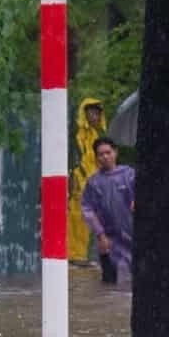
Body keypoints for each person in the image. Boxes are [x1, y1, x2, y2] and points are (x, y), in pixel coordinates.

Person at [79, 137, 134, 283]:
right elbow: (87, 210)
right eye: (100, 154)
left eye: (108, 152)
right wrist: (100, 234)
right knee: (110, 282)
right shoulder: (93, 182)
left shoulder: (129, 174)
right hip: (108, 239)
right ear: (96, 157)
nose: (105, 157)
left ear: (115, 152)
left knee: (136, 281)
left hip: (133, 235)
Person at [67, 98, 107, 264]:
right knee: (76, 217)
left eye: (97, 113)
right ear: (85, 113)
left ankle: (80, 254)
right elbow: (77, 158)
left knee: (86, 219)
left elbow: (96, 159)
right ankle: (73, 254)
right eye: (92, 112)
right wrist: (78, 176)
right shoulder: (77, 132)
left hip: (92, 182)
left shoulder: (95, 135)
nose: (95, 116)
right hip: (79, 180)